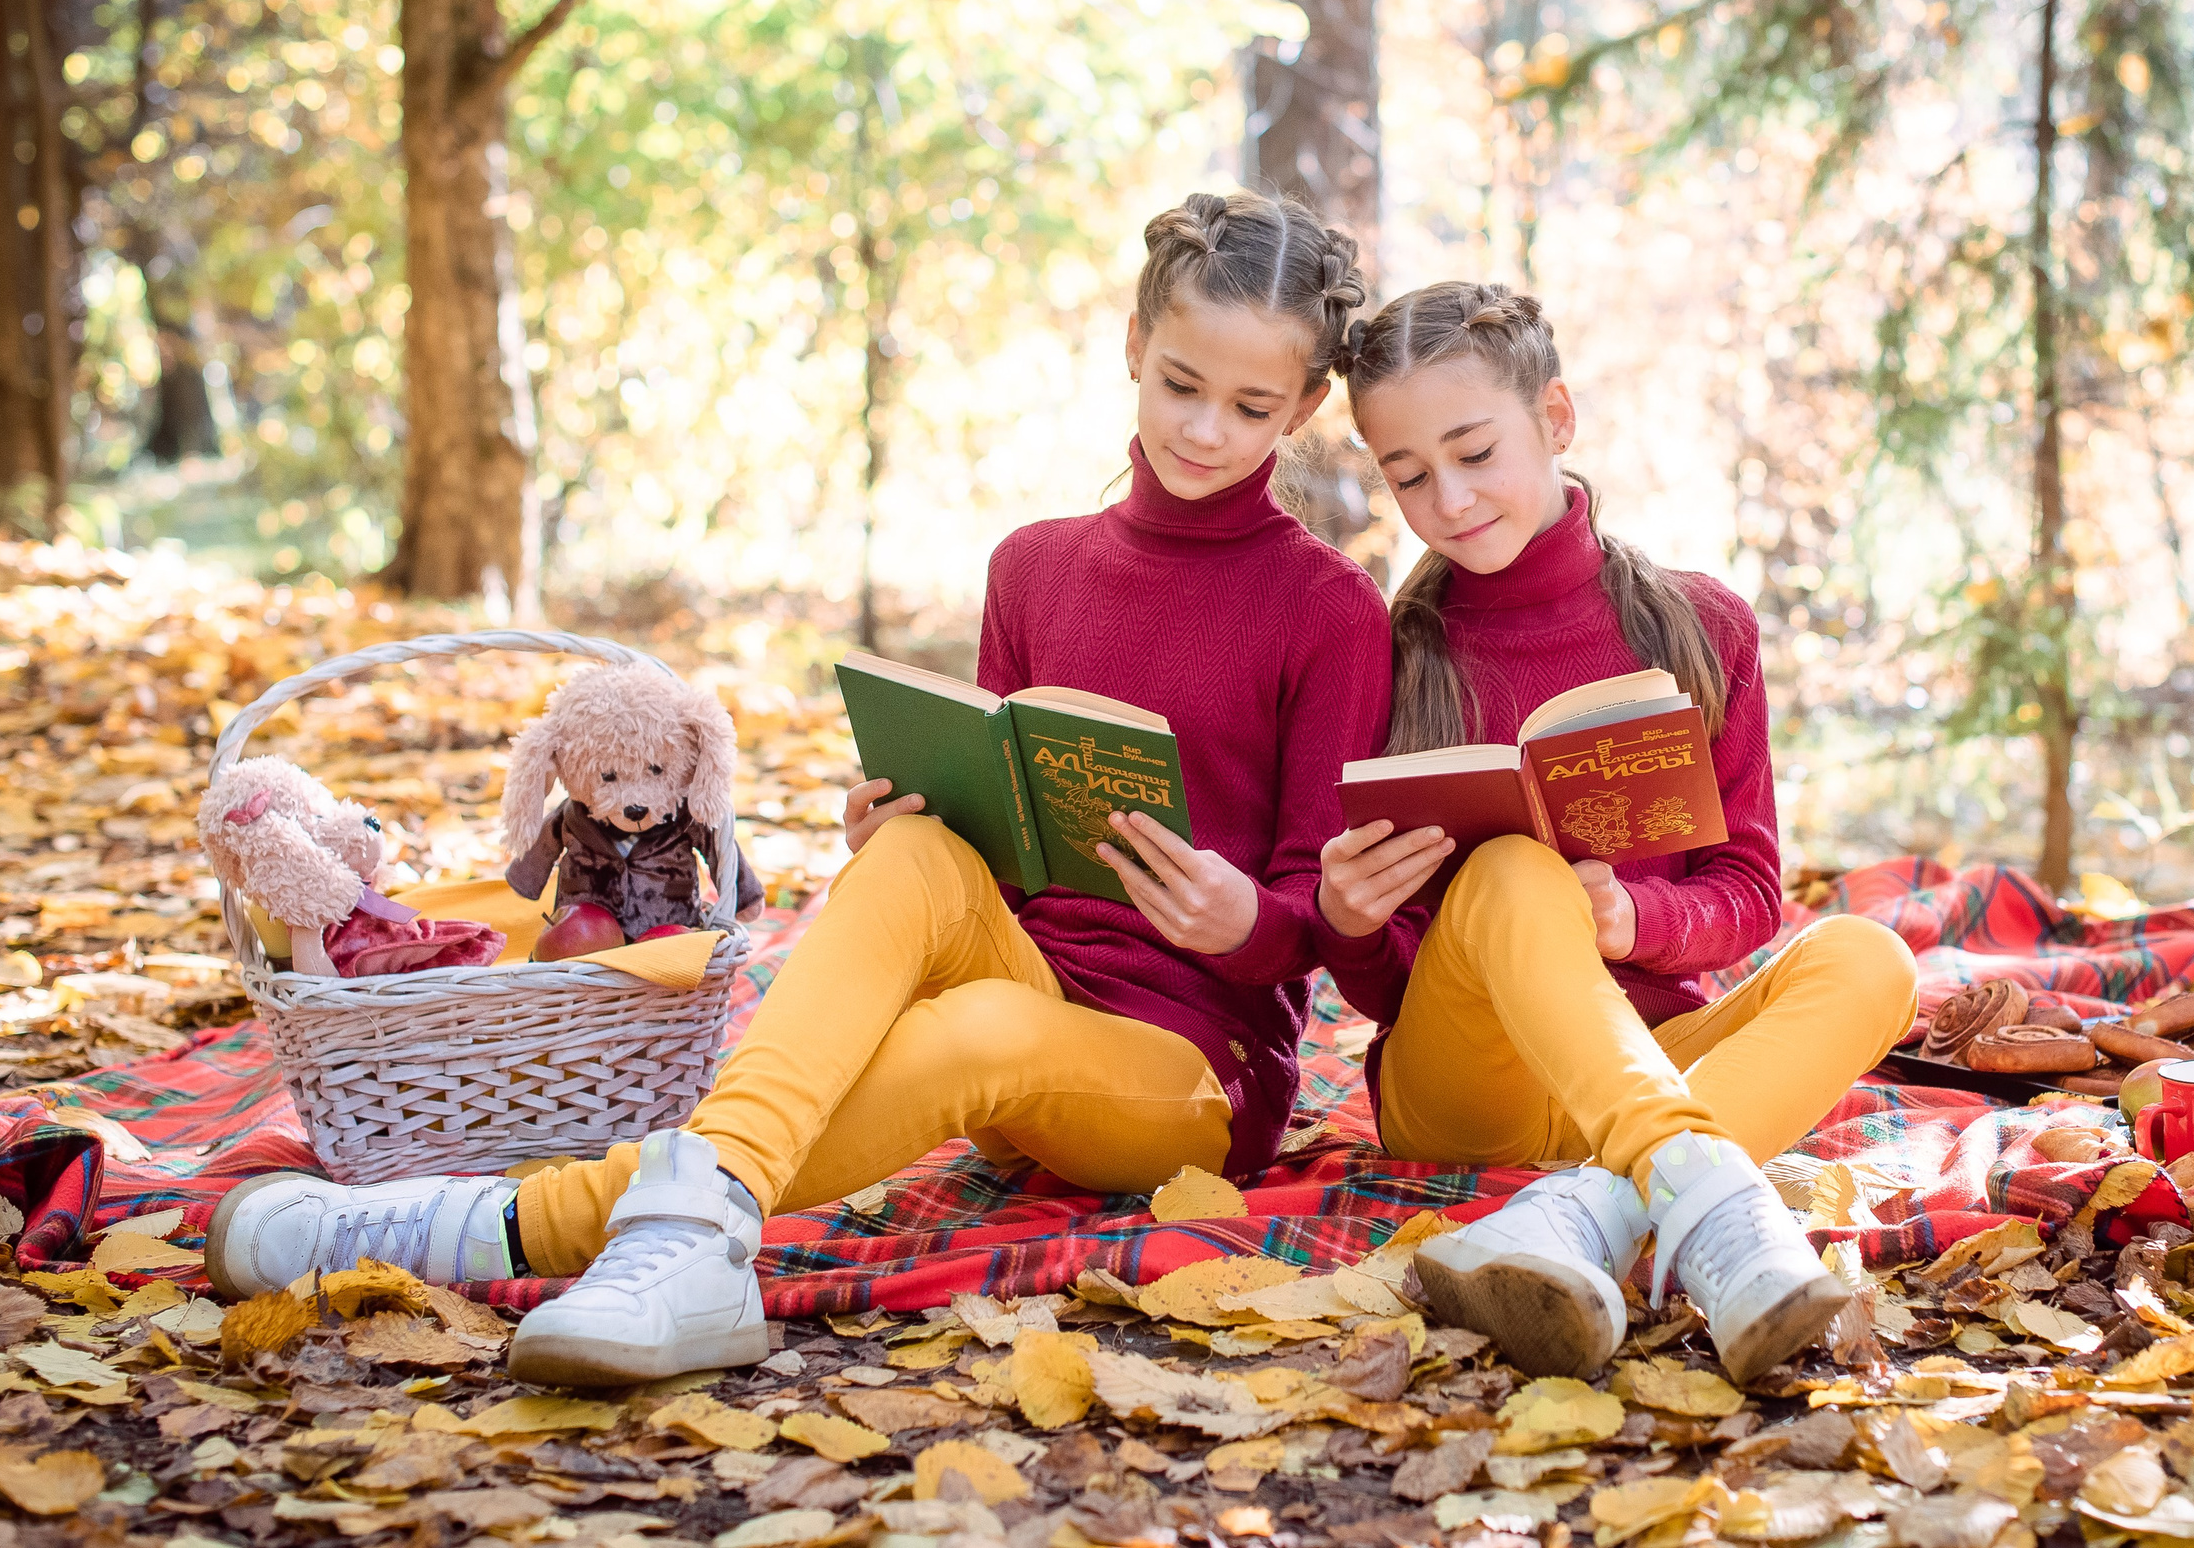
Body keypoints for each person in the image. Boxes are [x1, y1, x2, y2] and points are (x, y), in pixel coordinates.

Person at [207, 192, 1392, 1387]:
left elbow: (1320, 914)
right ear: (1133, 346)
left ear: (1303, 407)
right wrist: (910, 823)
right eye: (1181, 383)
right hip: (1022, 979)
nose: (1205, 429)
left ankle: (477, 1226)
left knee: (974, 1027)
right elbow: (1005, 828)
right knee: (915, 860)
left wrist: (1251, 923)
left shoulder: (1327, 608)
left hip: (1189, 1070)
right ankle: (685, 1239)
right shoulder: (1033, 566)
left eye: (1251, 408)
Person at [1312, 283, 1918, 1384]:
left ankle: (1578, 1214)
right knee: (1508, 868)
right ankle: (1703, 1214)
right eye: (1406, 474)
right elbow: (1388, 977)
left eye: (1474, 450)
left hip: (1648, 1060)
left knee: (1868, 955)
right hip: (1466, 1092)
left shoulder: (1699, 624)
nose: (1446, 497)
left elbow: (1746, 891)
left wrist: (1636, 914)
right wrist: (1349, 924)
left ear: (1555, 418)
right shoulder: (1389, 650)